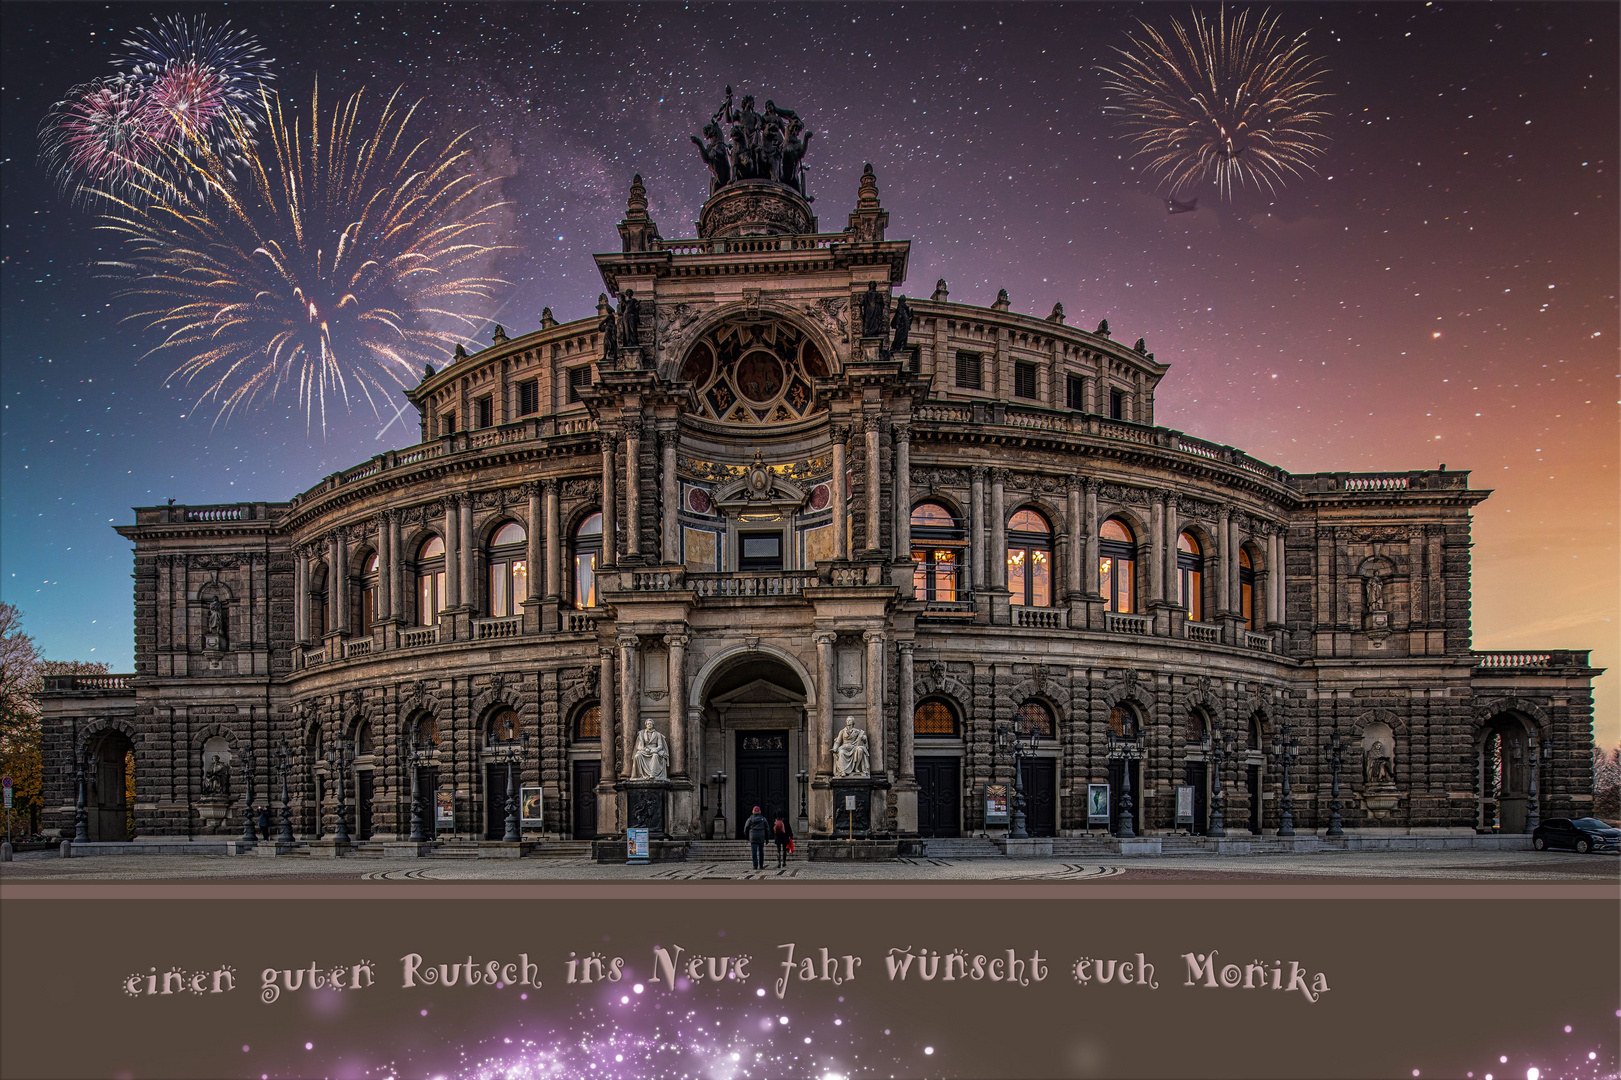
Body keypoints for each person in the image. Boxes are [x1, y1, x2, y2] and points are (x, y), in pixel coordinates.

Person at [744, 805, 770, 870]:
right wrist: (767, 838)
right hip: (761, 836)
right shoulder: (763, 819)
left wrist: (747, 837)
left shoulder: (750, 819)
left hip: (753, 836)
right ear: (760, 811)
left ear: (753, 811)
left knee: (754, 852)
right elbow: (767, 829)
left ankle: (755, 865)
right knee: (761, 851)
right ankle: (761, 865)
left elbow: (746, 828)